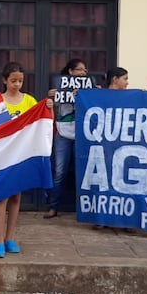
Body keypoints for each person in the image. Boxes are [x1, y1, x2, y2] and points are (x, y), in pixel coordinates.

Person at [0, 62, 38, 258]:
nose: (17, 84)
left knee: (16, 197)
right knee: (2, 197)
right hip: (1, 155)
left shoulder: (29, 101)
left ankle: (10, 238)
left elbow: (41, 123)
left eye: (20, 80)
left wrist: (50, 108)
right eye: (13, 81)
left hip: (20, 155)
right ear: (4, 80)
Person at [44, 58, 90, 219]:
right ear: (71, 72)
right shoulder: (59, 88)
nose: (84, 73)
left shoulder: (90, 89)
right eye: (80, 70)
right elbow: (51, 112)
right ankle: (53, 206)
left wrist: (93, 93)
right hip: (63, 133)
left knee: (84, 172)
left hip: (83, 134)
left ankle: (85, 209)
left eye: (85, 71)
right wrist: (51, 99)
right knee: (59, 171)